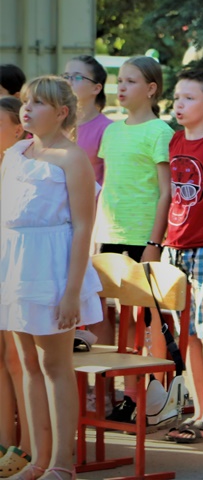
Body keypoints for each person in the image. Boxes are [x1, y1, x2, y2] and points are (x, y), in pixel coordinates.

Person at [0, 76, 103, 480]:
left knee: (55, 365)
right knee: (28, 363)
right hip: (17, 264)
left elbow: (83, 227)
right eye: (26, 101)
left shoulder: (72, 159)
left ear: (61, 113)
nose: (27, 109)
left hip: (52, 267)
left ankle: (62, 462)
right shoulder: (16, 152)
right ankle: (38, 459)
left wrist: (71, 291)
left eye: (38, 103)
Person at [95, 55, 174, 420]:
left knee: (148, 319)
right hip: (109, 236)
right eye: (120, 80)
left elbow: (166, 191)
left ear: (151, 88)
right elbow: (109, 187)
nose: (121, 87)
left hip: (143, 239)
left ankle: (154, 398)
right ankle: (125, 395)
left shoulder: (160, 132)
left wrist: (154, 244)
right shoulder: (111, 132)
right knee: (120, 320)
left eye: (130, 81)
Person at [158, 70, 203, 444]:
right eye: (177, 98)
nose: (180, 104)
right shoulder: (174, 140)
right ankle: (200, 411)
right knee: (189, 335)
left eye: (189, 98)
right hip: (175, 247)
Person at [0, 96, 31, 479]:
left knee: (17, 359)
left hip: (16, 268)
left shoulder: (21, 163)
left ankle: (26, 448)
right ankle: (5, 441)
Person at [63, 55, 113, 185]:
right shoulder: (53, 123)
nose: (68, 82)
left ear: (96, 88)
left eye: (77, 77)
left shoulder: (108, 129)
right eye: (66, 77)